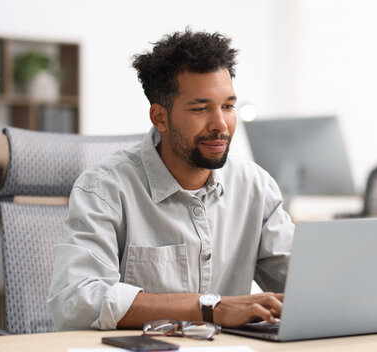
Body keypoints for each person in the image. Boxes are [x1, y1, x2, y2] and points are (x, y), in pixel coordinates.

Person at [48, 29, 294, 331]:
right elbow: (77, 301)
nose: (221, 124)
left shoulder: (255, 186)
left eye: (228, 106)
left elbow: (302, 282)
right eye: (200, 108)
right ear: (159, 117)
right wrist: (211, 308)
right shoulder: (104, 189)